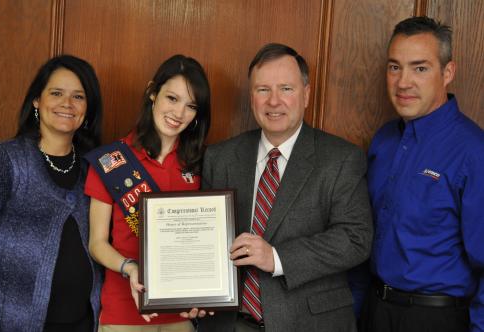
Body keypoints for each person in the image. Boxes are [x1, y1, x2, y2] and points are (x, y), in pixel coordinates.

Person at [198, 43, 373, 332]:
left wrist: (277, 257)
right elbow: (206, 242)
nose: (274, 101)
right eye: (263, 89)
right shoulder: (220, 158)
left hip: (310, 323)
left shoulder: (342, 158)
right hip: (229, 324)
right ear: (251, 97)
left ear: (306, 94)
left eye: (286, 89)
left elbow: (356, 238)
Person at [362, 16, 484, 332]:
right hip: (374, 311)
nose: (403, 82)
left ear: (447, 73)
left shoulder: (473, 151)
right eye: (394, 67)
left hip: (434, 319)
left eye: (420, 68)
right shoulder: (384, 140)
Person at [85, 54, 211, 332]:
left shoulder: (202, 164)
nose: (179, 114)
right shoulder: (112, 160)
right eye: (172, 98)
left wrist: (207, 291)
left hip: (180, 316)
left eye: (191, 106)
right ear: (153, 92)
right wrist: (130, 268)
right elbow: (96, 243)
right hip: (123, 314)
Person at [0, 55, 104, 331]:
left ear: (88, 108)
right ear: (37, 100)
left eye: (78, 96)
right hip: (15, 323)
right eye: (57, 93)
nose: (67, 104)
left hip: (84, 323)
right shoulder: (7, 159)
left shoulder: (95, 167)